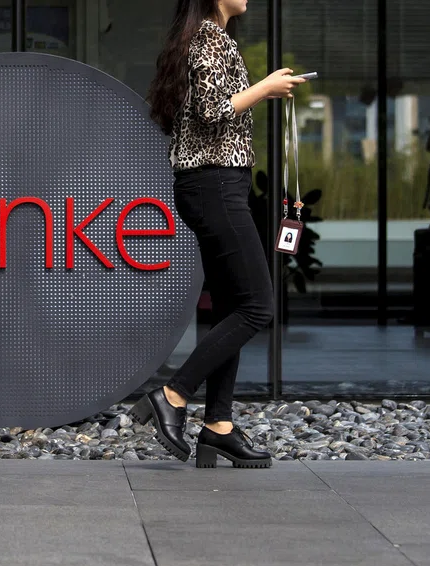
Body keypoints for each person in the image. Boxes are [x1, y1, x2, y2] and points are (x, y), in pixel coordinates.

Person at [132, 0, 305, 469]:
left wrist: (262, 90)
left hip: (215, 185)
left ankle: (219, 427)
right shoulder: (207, 39)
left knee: (232, 306)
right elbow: (212, 111)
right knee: (257, 305)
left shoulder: (212, 39)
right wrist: (265, 88)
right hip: (215, 185)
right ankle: (172, 395)